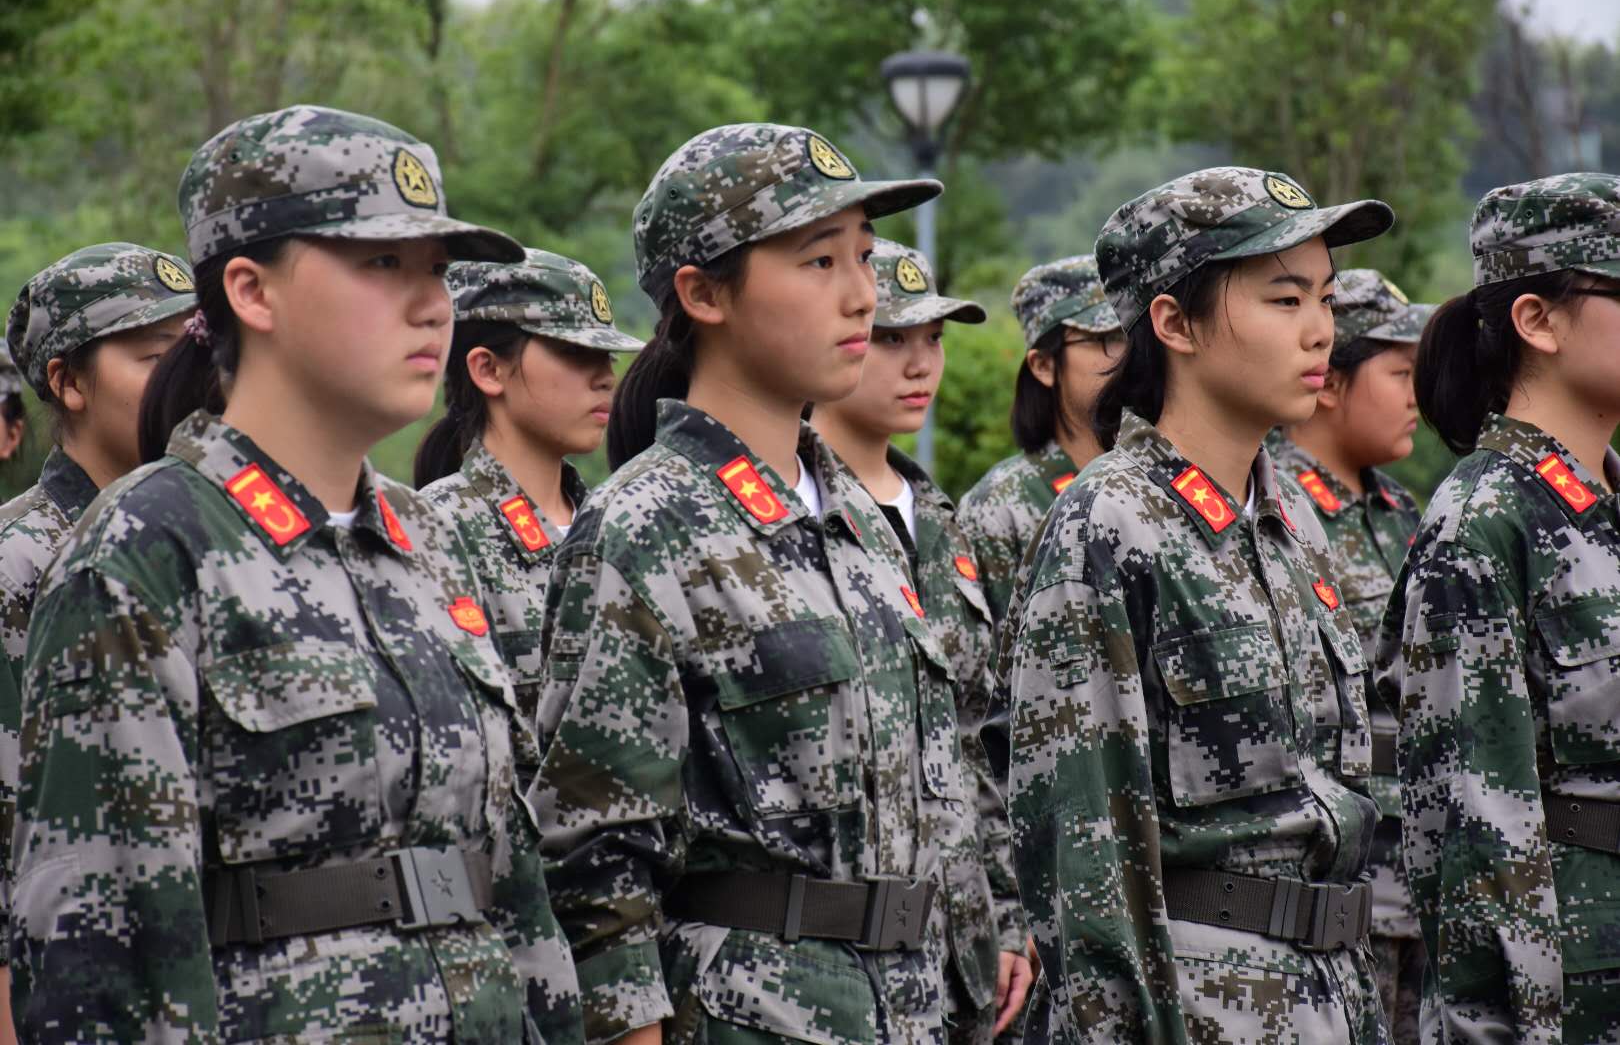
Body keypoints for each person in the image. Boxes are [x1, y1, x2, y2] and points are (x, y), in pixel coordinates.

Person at [10, 104, 577, 1044]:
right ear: (252, 291)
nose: (432, 305)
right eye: (381, 263)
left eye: (438, 270)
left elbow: (513, 887)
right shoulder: (148, 549)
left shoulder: (430, 541)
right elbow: (104, 959)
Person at [530, 122, 988, 1045]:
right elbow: (594, 862)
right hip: (754, 1013)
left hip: (913, 1010)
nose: (862, 295)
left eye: (864, 257)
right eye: (820, 261)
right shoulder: (646, 523)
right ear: (703, 294)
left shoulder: (863, 519)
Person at [1003, 167, 1394, 1041]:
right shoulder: (1110, 521)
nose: (1320, 331)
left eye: (1325, 298)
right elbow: (1085, 855)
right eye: (1284, 299)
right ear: (1174, 323)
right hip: (1202, 1003)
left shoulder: (1292, 521)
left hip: (1331, 999)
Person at [1380, 172, 1620, 1042]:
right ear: (1537, 320)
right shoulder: (1485, 522)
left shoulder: (1600, 503)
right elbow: (1472, 830)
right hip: (1572, 993)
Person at [810, 237, 1031, 1043]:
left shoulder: (941, 521)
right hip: (829, 954)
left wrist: (1006, 915)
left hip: (956, 953)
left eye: (933, 339)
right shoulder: (795, 516)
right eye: (892, 339)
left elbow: (975, 743)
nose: (920, 365)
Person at [0, 242, 193, 1045]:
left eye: (196, 352)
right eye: (154, 357)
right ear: (68, 384)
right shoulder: (20, 560)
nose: (186, 379)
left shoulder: (207, 539)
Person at [1267, 267, 1428, 1042]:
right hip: (1337, 882)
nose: (1417, 397)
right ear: (1331, 383)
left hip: (1422, 870)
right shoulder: (1275, 510)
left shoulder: (1402, 513)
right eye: (1400, 373)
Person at [417, 246, 643, 778]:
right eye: (574, 352)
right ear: (488, 369)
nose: (605, 377)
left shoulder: (619, 526)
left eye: (607, 357)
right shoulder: (435, 531)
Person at [958, 255, 1122, 636]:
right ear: (1043, 365)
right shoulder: (1000, 507)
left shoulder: (1165, 480)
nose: (1125, 356)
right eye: (1104, 339)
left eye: (1130, 335)